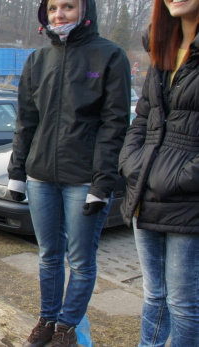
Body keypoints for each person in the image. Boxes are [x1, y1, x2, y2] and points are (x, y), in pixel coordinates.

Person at [7, 0, 131, 346]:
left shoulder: (109, 56)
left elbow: (115, 123)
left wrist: (102, 183)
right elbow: (26, 121)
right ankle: (47, 320)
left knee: (79, 259)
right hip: (41, 176)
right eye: (53, 9)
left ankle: (67, 327)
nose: (59, 15)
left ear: (85, 9)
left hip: (84, 179)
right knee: (48, 255)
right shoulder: (38, 59)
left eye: (68, 7)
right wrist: (17, 171)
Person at [118, 0, 199, 345]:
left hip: (188, 201)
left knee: (183, 303)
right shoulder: (162, 45)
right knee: (154, 297)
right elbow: (144, 116)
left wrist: (180, 178)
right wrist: (131, 162)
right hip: (144, 194)